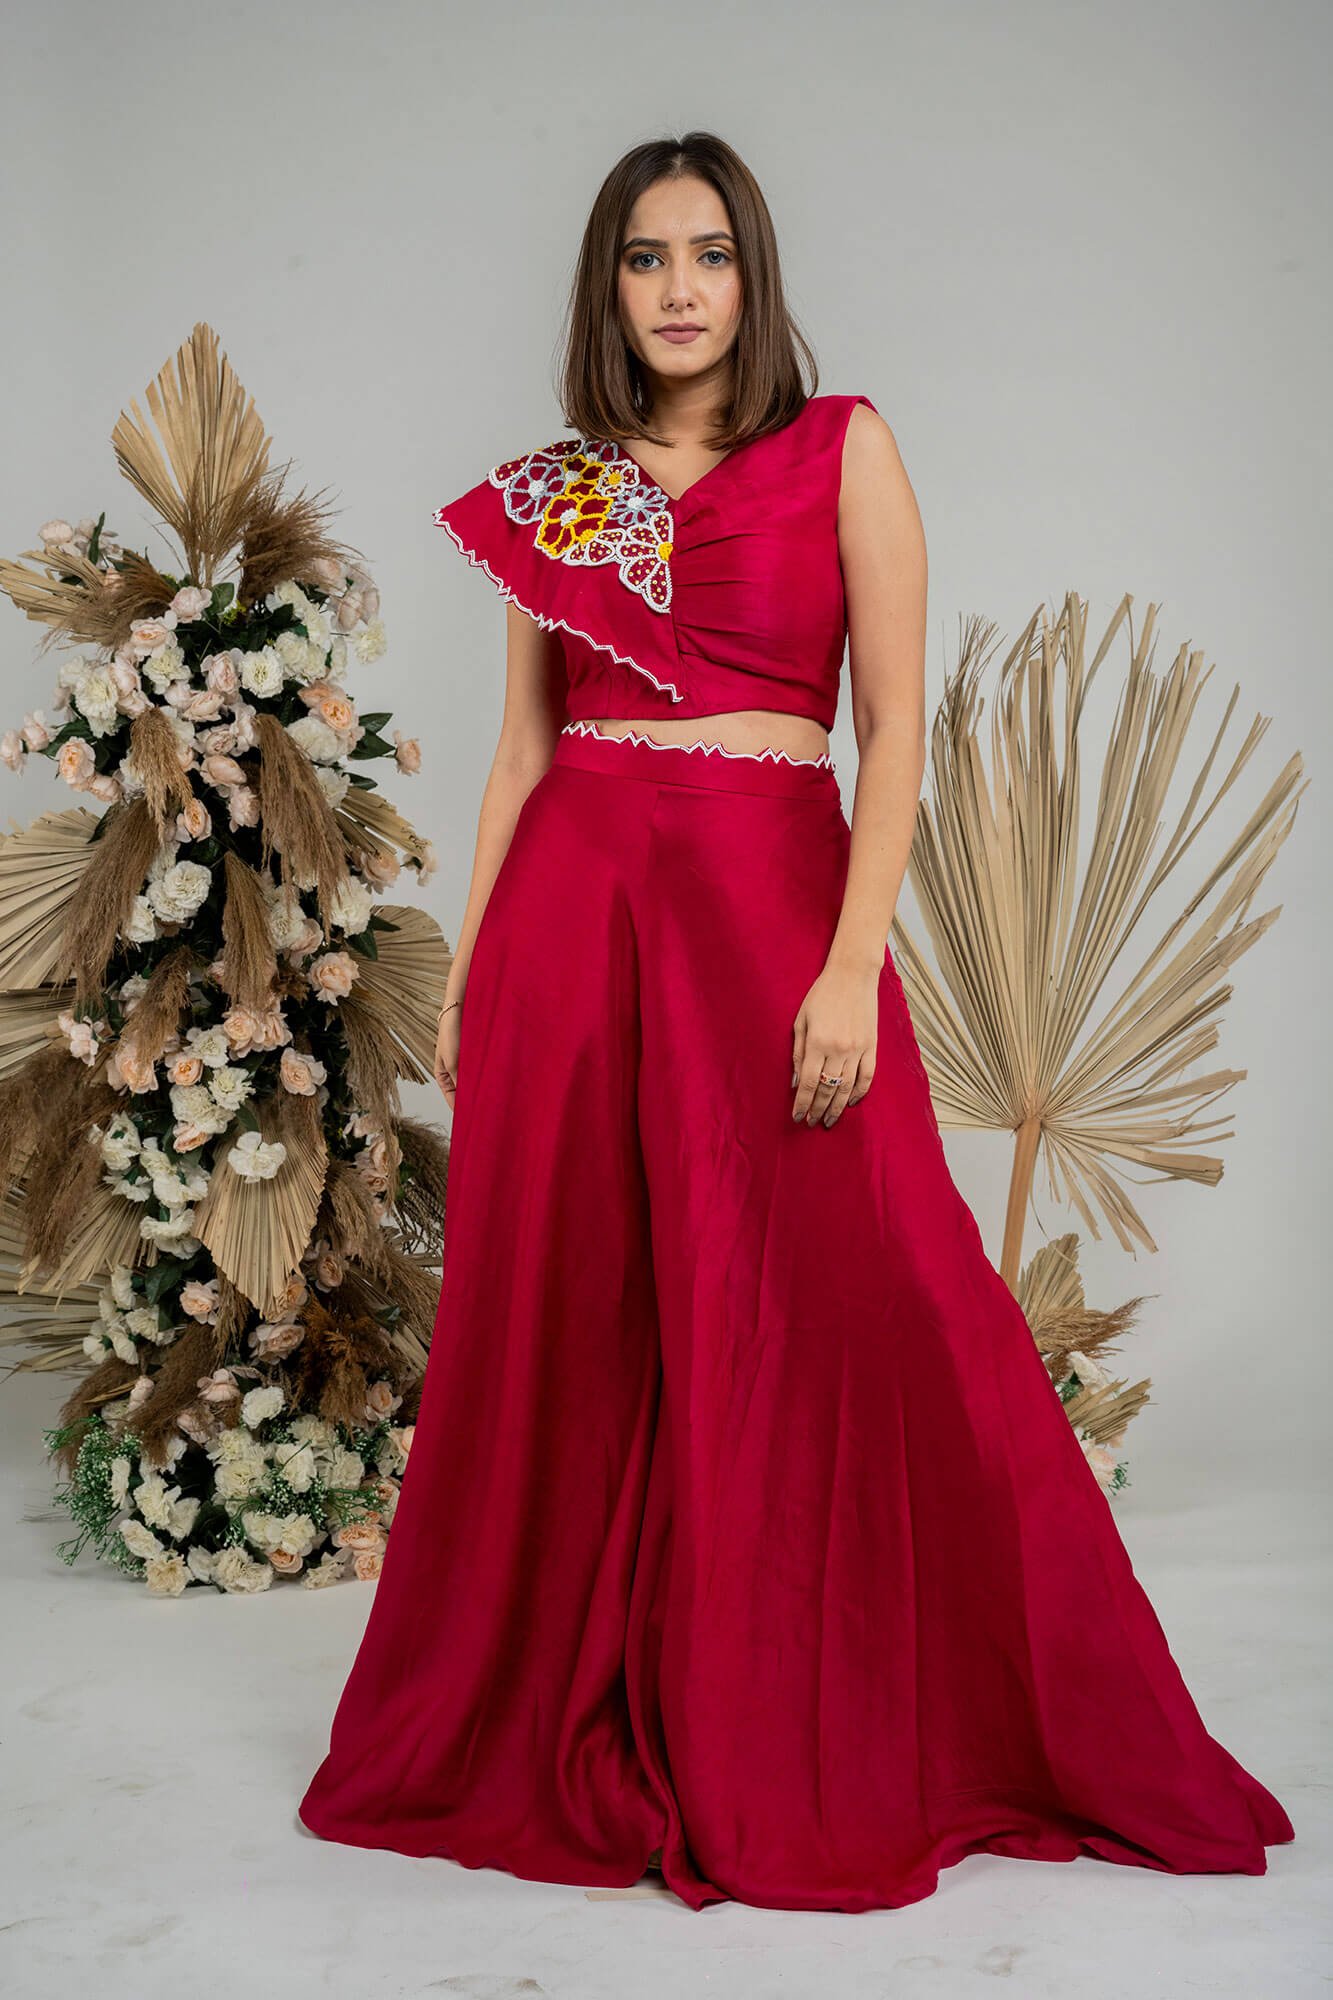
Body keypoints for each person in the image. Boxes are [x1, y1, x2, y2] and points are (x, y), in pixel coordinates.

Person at [297, 130, 1294, 1913]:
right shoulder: (560, 487)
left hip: (768, 905)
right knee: (576, 1307)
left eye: (709, 255)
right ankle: (579, 1691)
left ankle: (886, 1703)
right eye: (643, 258)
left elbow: (890, 729)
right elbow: (524, 751)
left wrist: (848, 967)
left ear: (753, 277)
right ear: (606, 286)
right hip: (574, 918)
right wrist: (469, 961)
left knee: (861, 1285)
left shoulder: (843, 449)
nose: (677, 289)